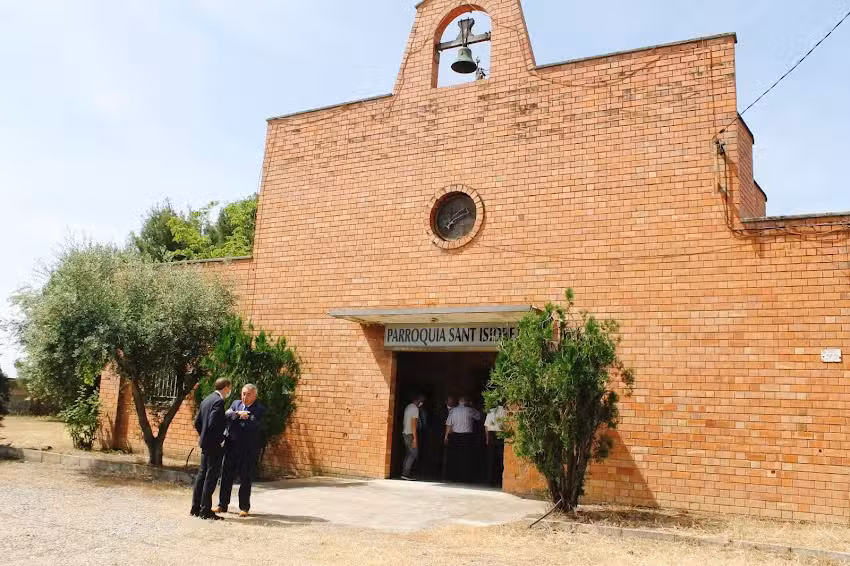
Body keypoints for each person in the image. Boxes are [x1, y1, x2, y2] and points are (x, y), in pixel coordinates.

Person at [213, 383, 265, 517]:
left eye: (248, 394)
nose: (245, 397)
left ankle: (244, 507)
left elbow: (253, 424)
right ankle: (222, 504)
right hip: (231, 446)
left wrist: (236, 418)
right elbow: (226, 416)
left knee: (245, 478)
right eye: (243, 393)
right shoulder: (235, 403)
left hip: (247, 449)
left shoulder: (259, 408)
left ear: (255, 395)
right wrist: (238, 415)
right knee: (226, 476)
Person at [190, 377, 232, 520]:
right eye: (229, 388)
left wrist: (204, 436)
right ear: (225, 387)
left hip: (206, 443)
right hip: (214, 445)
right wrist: (220, 439)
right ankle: (205, 510)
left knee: (202, 475)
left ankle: (195, 508)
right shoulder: (218, 401)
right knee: (211, 477)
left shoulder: (207, 399)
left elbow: (197, 422)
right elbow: (214, 423)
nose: (229, 391)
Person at [444, 396, 480, 483]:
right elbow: (478, 417)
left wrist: (446, 437)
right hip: (467, 437)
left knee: (455, 457)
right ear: (466, 402)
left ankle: (454, 477)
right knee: (466, 457)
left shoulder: (453, 411)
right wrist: (472, 406)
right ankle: (465, 477)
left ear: (458, 402)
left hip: (455, 436)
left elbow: (448, 424)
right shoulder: (469, 410)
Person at [401, 394, 425, 480]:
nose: (422, 403)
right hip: (410, 434)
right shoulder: (415, 409)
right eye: (421, 401)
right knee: (414, 454)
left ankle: (404, 473)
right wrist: (415, 438)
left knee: (408, 453)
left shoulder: (408, 407)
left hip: (405, 433)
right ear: (418, 400)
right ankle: (406, 474)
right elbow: (414, 424)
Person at [484, 404, 507, 486]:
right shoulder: (505, 411)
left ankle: (490, 480)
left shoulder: (490, 411)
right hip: (501, 435)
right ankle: (500, 480)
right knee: (501, 459)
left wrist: (487, 439)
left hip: (491, 435)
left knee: (491, 459)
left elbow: (486, 426)